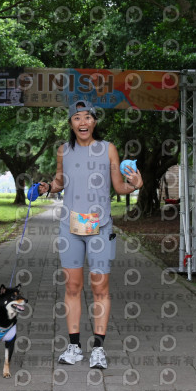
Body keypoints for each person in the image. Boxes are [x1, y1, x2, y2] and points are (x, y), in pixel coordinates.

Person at [38, 100, 143, 370]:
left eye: (87, 117)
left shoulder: (108, 149)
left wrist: (134, 186)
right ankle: (74, 346)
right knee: (72, 287)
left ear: (94, 122)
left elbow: (119, 186)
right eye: (77, 118)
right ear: (71, 123)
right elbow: (60, 181)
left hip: (100, 225)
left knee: (100, 288)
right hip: (70, 226)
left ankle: (98, 348)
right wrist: (48, 186)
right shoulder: (63, 151)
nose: (82, 122)